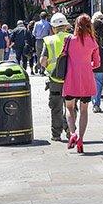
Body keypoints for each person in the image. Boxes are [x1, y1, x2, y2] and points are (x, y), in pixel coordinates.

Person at [61, 14, 101, 153]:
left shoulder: (69, 40)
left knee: (69, 108)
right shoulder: (92, 42)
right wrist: (87, 64)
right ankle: (81, 140)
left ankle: (73, 133)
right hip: (86, 80)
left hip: (71, 79)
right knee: (84, 110)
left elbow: (63, 57)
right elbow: (97, 63)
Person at [39, 13, 72, 141]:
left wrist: (48, 67)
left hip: (55, 78)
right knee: (71, 106)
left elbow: (42, 60)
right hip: (70, 78)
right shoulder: (72, 38)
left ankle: (56, 134)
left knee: (56, 106)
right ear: (65, 27)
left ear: (53, 28)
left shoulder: (48, 40)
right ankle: (70, 130)